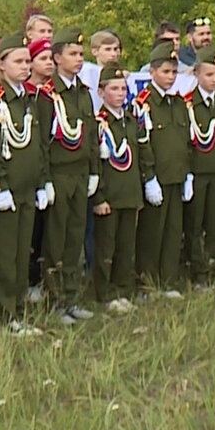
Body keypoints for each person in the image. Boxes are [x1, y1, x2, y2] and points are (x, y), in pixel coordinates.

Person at [0, 33, 48, 335]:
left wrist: (43, 181)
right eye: (18, 61)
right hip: (6, 191)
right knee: (6, 254)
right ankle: (5, 314)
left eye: (27, 61)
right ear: (1, 65)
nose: (25, 66)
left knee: (22, 252)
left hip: (27, 188)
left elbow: (37, 145)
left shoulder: (28, 100)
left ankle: (17, 309)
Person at [40, 28, 99, 323]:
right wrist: (45, 179)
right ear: (57, 57)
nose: (78, 59)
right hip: (59, 174)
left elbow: (91, 136)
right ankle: (54, 300)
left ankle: (72, 296)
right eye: (73, 54)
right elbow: (41, 141)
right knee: (56, 239)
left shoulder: (83, 93)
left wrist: (94, 172)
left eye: (81, 54)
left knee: (75, 237)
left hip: (80, 173)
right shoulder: (48, 94)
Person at [135, 42, 193, 298]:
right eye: (166, 72)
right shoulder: (143, 103)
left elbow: (185, 141)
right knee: (152, 232)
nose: (170, 77)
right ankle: (147, 283)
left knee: (172, 230)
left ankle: (167, 281)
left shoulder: (178, 103)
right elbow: (142, 142)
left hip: (176, 175)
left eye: (174, 72)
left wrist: (187, 174)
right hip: (155, 178)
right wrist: (148, 178)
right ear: (152, 72)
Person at [91, 65, 150, 314]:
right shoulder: (98, 122)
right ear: (101, 91)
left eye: (123, 89)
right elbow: (95, 163)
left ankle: (123, 289)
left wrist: (141, 191)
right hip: (109, 196)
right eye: (113, 88)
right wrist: (99, 197)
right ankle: (103, 294)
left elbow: (139, 156)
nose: (120, 93)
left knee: (126, 246)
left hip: (130, 193)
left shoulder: (130, 120)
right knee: (106, 247)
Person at [183, 46, 215, 287]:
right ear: (197, 75)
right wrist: (187, 174)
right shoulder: (187, 105)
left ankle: (213, 269)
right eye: (209, 75)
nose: (214, 79)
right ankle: (196, 272)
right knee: (195, 224)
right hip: (197, 173)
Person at [24, 37, 53, 304]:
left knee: (45, 231)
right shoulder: (27, 96)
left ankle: (42, 279)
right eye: (43, 58)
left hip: (50, 172)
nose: (50, 64)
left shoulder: (48, 95)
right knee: (29, 233)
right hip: (30, 172)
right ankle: (29, 280)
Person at [77, 30, 122, 112]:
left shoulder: (122, 75)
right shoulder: (87, 71)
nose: (113, 54)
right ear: (95, 51)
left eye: (115, 49)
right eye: (108, 49)